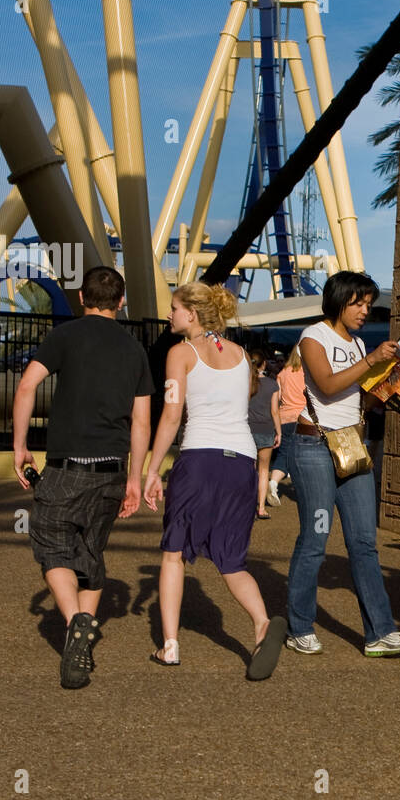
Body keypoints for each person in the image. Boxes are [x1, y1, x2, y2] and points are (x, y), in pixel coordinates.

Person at [12, 266, 153, 690]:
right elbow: (142, 422)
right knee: (91, 551)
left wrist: (20, 445)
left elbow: (26, 387)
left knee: (51, 542)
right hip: (112, 470)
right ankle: (83, 635)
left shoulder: (65, 337)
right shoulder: (134, 350)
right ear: (121, 301)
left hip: (65, 467)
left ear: (80, 298)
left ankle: (75, 624)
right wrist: (136, 477)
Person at [141, 282, 286, 681]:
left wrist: (152, 470)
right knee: (231, 559)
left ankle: (170, 646)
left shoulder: (180, 353)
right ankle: (260, 622)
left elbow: (172, 415)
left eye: (173, 308)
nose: (170, 315)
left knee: (174, 553)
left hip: (200, 461)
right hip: (240, 463)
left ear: (192, 313)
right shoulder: (240, 355)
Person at [285, 271, 400, 657]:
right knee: (316, 538)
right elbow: (326, 385)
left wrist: (393, 387)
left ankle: (380, 631)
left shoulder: (358, 344)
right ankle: (299, 626)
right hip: (314, 449)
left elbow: (360, 398)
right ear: (339, 300)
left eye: (368, 304)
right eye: (358, 303)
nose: (364, 311)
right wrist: (373, 359)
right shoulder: (314, 336)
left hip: (351, 447)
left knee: (363, 542)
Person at [267, 344, 304, 504]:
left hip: (284, 418)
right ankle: (301, 487)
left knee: (284, 453)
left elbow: (279, 397)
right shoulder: (307, 373)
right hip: (303, 418)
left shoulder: (282, 374)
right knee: (303, 455)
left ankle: (273, 483)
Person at [247, 347, 281, 520]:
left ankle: (247, 506)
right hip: (266, 429)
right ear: (264, 364)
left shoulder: (245, 383)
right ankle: (261, 508)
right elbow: (275, 411)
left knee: (248, 470)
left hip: (247, 429)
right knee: (263, 470)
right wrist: (279, 432)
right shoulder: (272, 384)